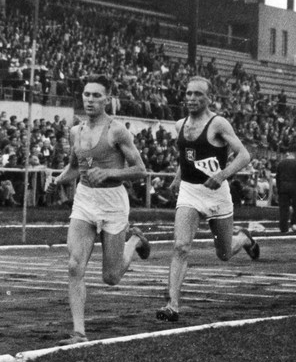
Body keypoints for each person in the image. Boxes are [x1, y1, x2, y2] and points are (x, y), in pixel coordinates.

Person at [45, 76, 151, 344]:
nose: (89, 100)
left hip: (113, 202)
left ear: (107, 99)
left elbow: (140, 170)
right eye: (86, 95)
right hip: (85, 201)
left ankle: (135, 241)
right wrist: (56, 180)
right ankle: (79, 332)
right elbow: (74, 167)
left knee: (111, 277)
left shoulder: (117, 131)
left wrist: (108, 173)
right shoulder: (75, 132)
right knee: (74, 265)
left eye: (96, 96)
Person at [156, 76, 259, 323]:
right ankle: (173, 305)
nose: (192, 98)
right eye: (189, 93)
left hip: (217, 194)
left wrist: (222, 175)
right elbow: (186, 156)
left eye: (198, 94)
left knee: (223, 253)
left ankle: (242, 238)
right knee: (181, 246)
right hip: (190, 192)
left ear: (208, 98)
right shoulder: (180, 124)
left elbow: (245, 155)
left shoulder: (217, 123)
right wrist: (178, 177)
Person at [275, 145, 296, 233]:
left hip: (283, 188)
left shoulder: (281, 163)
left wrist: (278, 189)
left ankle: (283, 228)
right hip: (294, 187)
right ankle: (294, 223)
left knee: (283, 209)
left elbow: (277, 177)